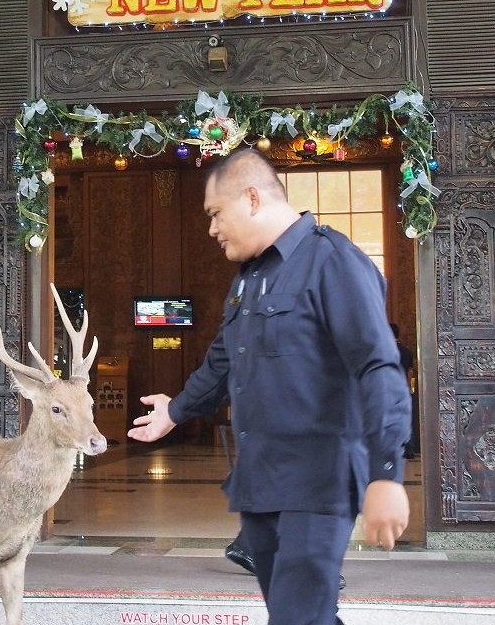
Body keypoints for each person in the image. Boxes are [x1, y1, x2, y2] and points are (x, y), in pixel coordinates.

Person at [128, 148, 411, 625]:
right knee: (301, 615)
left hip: (318, 485)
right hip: (260, 486)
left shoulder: (333, 261)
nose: (212, 229)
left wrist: (386, 473)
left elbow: (378, 368)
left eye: (217, 214)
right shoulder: (249, 279)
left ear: (252, 198)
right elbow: (223, 359)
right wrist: (175, 411)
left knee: (297, 618)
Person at [390, 322, 420, 459]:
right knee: (406, 420)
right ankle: (409, 449)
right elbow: (410, 371)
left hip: (389, 389)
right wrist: (410, 389)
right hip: (404, 389)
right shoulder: (406, 350)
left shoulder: (385, 350)